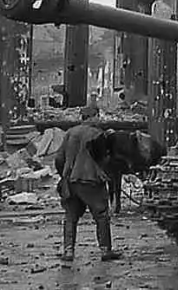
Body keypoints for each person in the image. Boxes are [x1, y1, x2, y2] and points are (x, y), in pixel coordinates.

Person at [54, 105, 122, 263]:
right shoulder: (97, 134)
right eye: (98, 116)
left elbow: (59, 158)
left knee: (70, 216)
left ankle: (68, 251)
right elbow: (105, 160)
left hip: (71, 181)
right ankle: (105, 250)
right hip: (91, 181)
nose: (100, 119)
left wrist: (64, 175)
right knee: (101, 215)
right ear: (93, 116)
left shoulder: (70, 132)